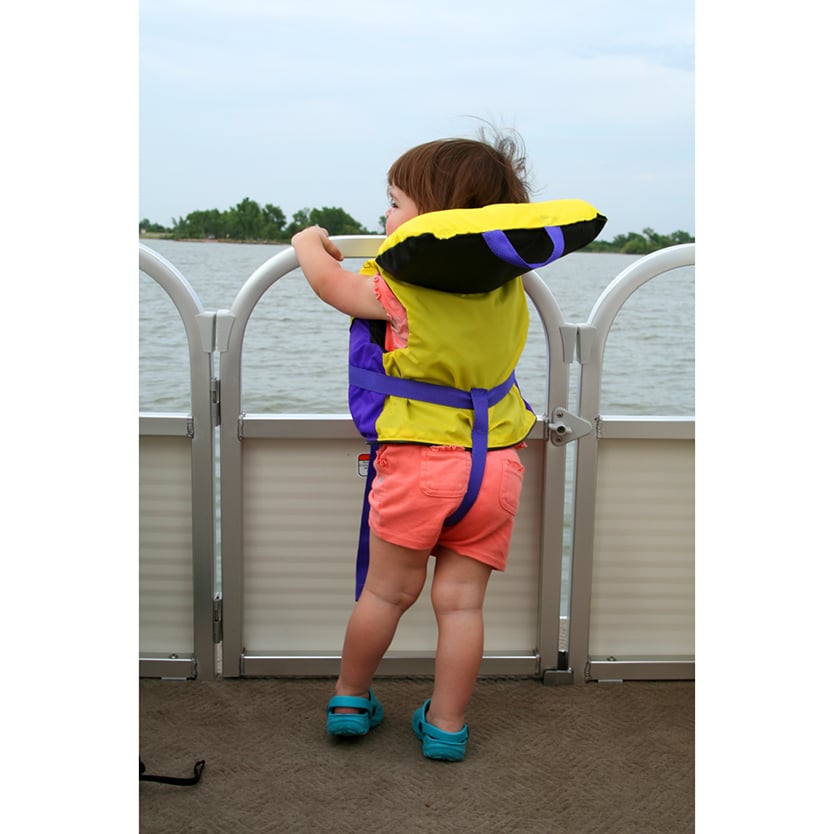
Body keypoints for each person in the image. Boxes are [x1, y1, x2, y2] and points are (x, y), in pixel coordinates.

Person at [291, 132, 539, 762]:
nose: (387, 217)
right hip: (496, 467)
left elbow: (331, 285)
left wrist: (307, 244)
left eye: (395, 203)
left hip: (418, 467)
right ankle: (448, 725)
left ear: (433, 216)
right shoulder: (509, 287)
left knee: (386, 594)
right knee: (461, 606)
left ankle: (350, 696)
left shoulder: (399, 282)